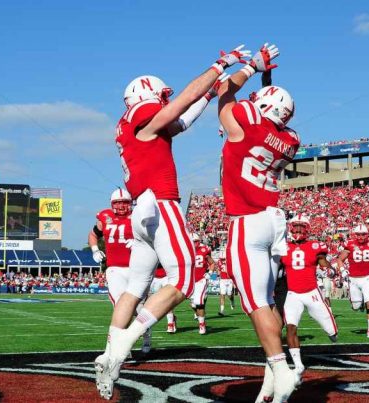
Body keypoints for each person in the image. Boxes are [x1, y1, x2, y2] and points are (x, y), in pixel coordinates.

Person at [95, 43, 251, 400]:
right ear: (147, 96)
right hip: (160, 204)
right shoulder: (143, 115)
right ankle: (118, 351)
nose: (166, 100)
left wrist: (211, 94)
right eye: (160, 95)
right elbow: (181, 103)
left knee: (136, 287)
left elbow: (182, 118)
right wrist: (218, 66)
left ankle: (109, 351)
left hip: (141, 211)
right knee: (183, 279)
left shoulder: (134, 125)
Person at [216, 42, 301, 402]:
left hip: (248, 221)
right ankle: (271, 381)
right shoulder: (290, 139)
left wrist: (252, 66)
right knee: (265, 301)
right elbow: (267, 117)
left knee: (255, 304)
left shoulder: (248, 124)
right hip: (274, 219)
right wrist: (267, 81)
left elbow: (224, 92)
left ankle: (283, 370)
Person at [89, 188, 153, 354]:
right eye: (117, 202)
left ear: (130, 202)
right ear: (112, 204)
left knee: (139, 308)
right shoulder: (105, 216)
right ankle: (123, 343)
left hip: (136, 268)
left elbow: (153, 237)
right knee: (120, 305)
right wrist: (95, 249)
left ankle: (146, 334)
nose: (121, 206)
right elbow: (93, 234)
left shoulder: (138, 216)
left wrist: (141, 243)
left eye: (124, 202)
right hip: (115, 268)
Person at [280, 214, 337, 384]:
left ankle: (332, 333)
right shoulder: (283, 247)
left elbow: (322, 261)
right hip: (292, 294)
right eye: (295, 226)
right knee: (290, 328)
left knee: (332, 333)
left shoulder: (314, 246)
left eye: (301, 227)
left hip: (311, 293)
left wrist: (329, 269)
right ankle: (298, 365)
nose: (297, 229)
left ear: (307, 229)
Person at [337, 224, 369, 338]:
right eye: (358, 234)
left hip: (367, 278)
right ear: (355, 235)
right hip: (353, 279)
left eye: (363, 234)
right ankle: (360, 304)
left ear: (367, 234)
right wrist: (342, 270)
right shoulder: (350, 244)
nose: (361, 237)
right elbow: (340, 259)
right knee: (355, 307)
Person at [190, 233, 215, 334]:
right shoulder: (186, 251)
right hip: (190, 281)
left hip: (201, 280)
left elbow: (212, 263)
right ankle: (202, 318)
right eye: (192, 242)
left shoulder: (204, 250)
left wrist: (209, 273)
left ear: (198, 241)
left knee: (199, 303)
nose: (194, 244)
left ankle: (201, 325)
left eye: (195, 241)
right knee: (192, 304)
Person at [217, 250, 235, 315]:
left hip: (229, 280)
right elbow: (218, 269)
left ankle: (232, 301)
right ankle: (222, 310)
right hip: (222, 280)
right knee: (222, 294)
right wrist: (218, 272)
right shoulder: (219, 261)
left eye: (223, 259)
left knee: (229, 295)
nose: (222, 260)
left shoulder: (230, 261)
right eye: (221, 259)